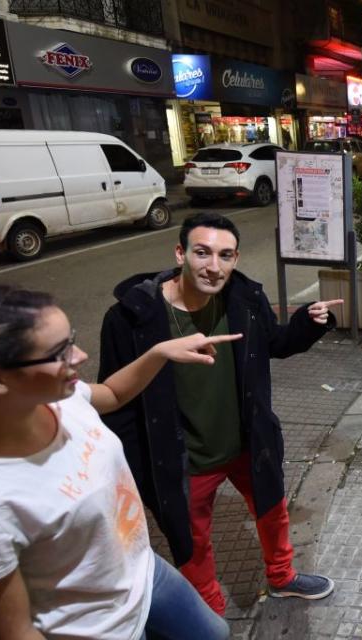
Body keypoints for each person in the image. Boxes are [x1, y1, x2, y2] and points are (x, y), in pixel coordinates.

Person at [98, 212, 343, 615]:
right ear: (180, 253)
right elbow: (116, 398)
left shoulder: (245, 299)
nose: (214, 266)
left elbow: (276, 344)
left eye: (225, 255)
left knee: (272, 508)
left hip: (247, 440)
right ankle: (209, 612)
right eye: (203, 252)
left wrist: (308, 322)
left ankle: (282, 577)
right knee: (191, 542)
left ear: (235, 259)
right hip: (183, 456)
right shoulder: (131, 318)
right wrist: (133, 472)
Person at [0, 285, 234, 640]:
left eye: (71, 339)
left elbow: (113, 393)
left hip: (144, 571)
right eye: (59, 352)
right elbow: (13, 631)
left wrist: (159, 352)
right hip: (101, 629)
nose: (79, 356)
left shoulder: (59, 399)